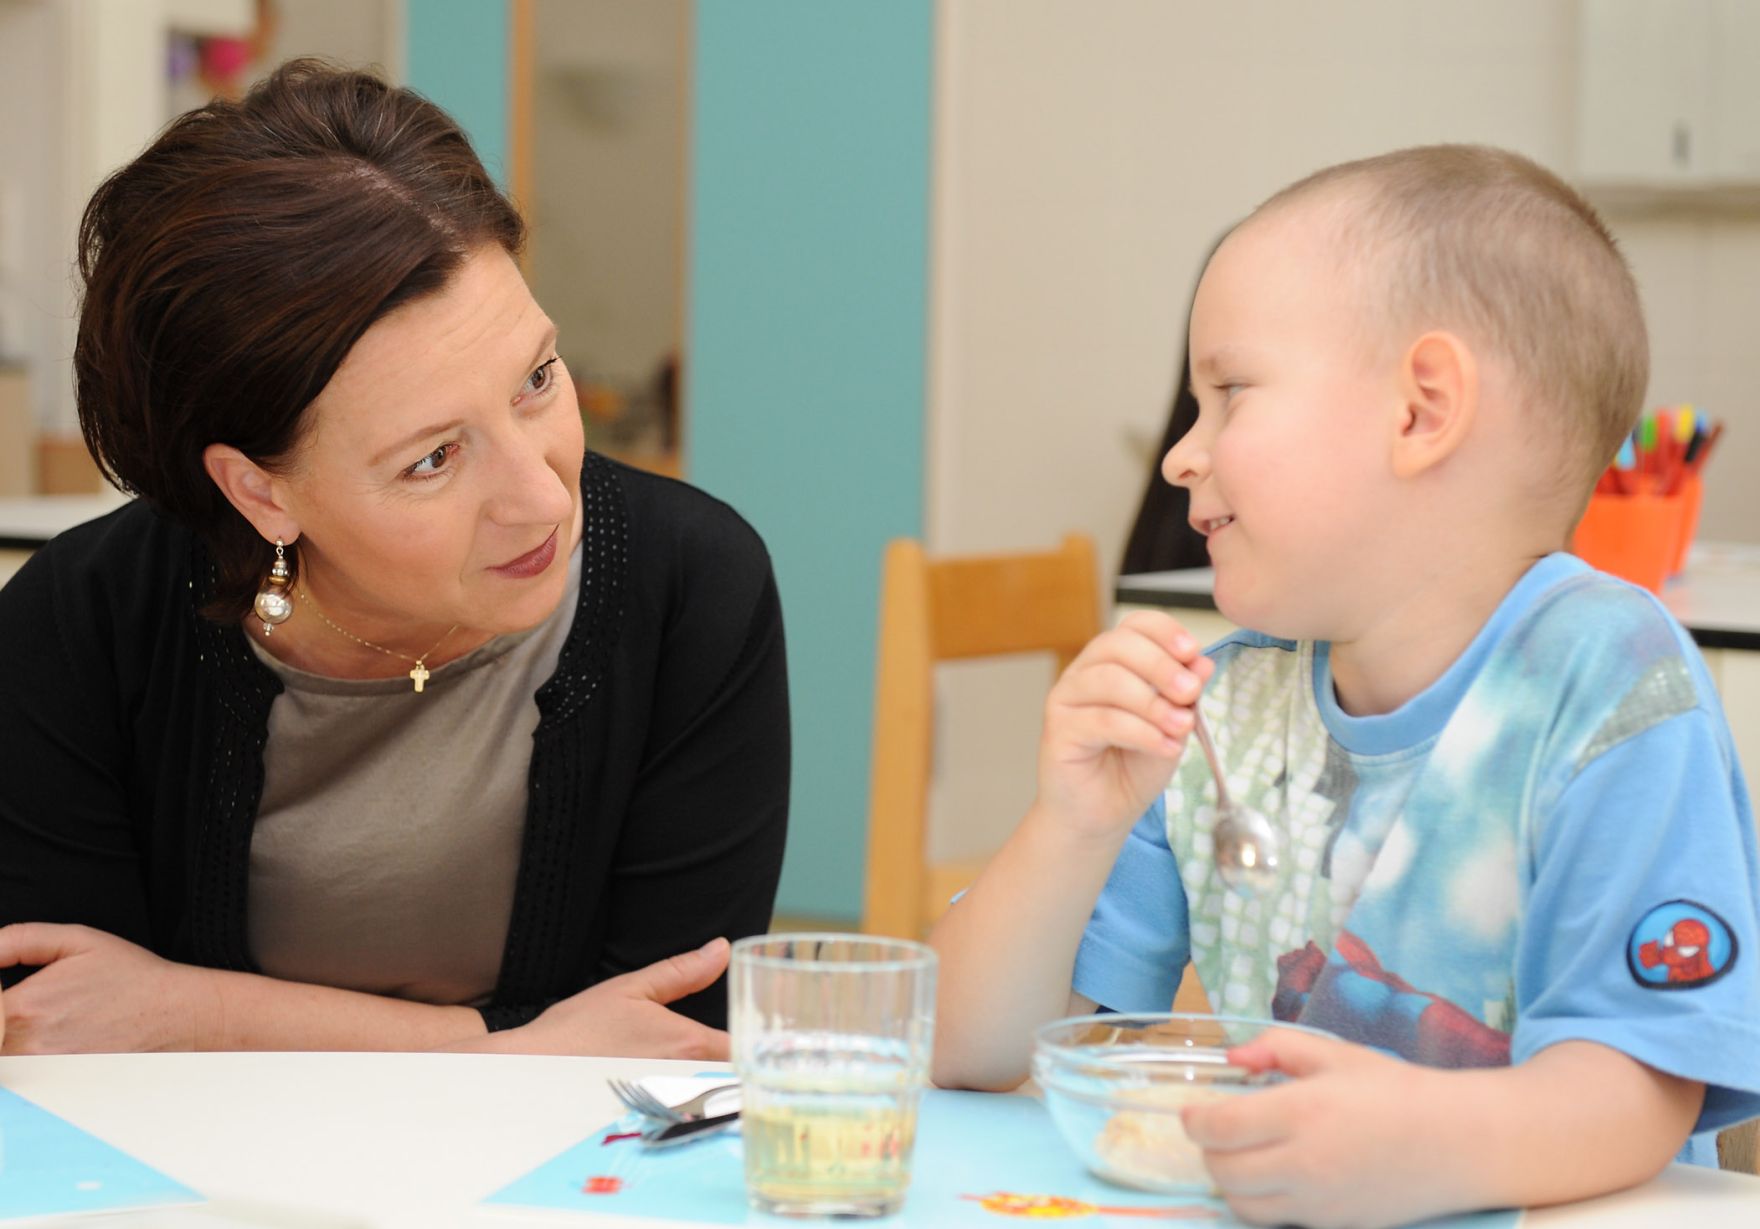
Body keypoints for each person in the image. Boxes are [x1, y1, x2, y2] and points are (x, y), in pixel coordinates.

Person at [930, 145, 1760, 1227]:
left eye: (1227, 394)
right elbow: (961, 1046)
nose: (1183, 455)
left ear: (1420, 408)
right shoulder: (1220, 711)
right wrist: (1069, 824)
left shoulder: (1608, 680)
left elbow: (1639, 1087)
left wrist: (1410, 1145)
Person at [0, 61, 789, 1059]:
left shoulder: (692, 586)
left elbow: (672, 1040)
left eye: (536, 379)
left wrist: (198, 1011)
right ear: (259, 491)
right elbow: (59, 1029)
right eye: (432, 457)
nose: (546, 495)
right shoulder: (80, 626)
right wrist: (511, 1051)